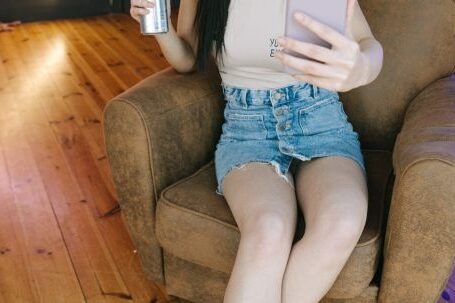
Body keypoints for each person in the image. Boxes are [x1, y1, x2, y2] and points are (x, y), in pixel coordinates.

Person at [131, 1, 383, 302]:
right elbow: (187, 59)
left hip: (320, 119)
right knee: (268, 229)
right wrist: (158, 24)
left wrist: (361, 68)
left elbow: (369, 46)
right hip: (248, 130)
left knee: (341, 222)